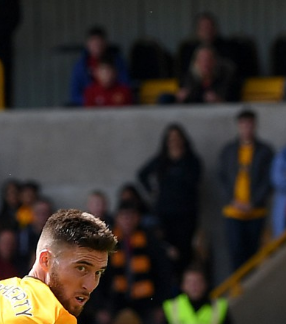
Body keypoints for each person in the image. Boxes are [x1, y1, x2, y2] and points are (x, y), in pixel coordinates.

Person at [136, 124, 202, 273]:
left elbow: (195, 182)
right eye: (171, 139)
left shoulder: (191, 161)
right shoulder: (161, 160)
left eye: (177, 139)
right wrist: (152, 191)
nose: (174, 142)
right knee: (166, 251)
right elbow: (142, 174)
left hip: (186, 214)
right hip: (165, 213)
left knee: (184, 251)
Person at [218, 109, 274, 273]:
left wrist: (254, 202)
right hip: (233, 211)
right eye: (243, 125)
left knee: (254, 254)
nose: (246, 129)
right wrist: (232, 200)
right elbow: (221, 178)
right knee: (235, 254)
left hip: (256, 212)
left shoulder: (265, 151)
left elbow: (268, 180)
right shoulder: (228, 150)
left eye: (249, 125)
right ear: (238, 126)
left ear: (255, 126)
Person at [68, 26, 131, 108]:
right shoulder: (80, 66)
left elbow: (125, 84)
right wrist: (94, 100)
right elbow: (74, 94)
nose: (97, 46)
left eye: (99, 43)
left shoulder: (118, 62)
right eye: (94, 43)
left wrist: (107, 99)